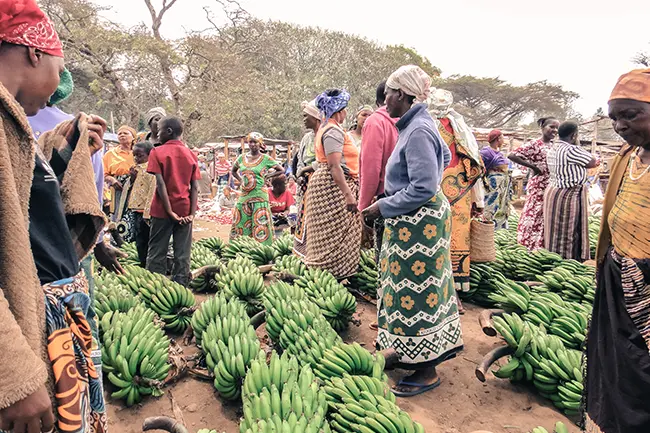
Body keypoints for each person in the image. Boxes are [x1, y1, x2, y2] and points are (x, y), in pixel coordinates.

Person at [0, 2, 109, 431]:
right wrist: (13, 375)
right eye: (58, 71)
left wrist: (62, 143)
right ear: (33, 52)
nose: (58, 89)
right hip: (22, 342)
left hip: (56, 327)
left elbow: (21, 197)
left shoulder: (13, 124)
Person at [362, 65, 461, 397]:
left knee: (417, 293)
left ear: (401, 95)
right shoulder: (417, 125)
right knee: (406, 291)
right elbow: (444, 157)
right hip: (412, 221)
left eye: (388, 93)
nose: (384, 99)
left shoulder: (417, 130)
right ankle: (408, 353)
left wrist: (383, 206)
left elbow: (422, 187)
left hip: (417, 224)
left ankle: (427, 369)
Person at [585, 68, 650, 433]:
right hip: (618, 278)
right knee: (617, 368)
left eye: (630, 114)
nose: (620, 125)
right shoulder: (627, 159)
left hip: (647, 286)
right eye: (614, 118)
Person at [430, 89, 485, 306]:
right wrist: (477, 200)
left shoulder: (439, 126)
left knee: (438, 236)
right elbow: (473, 161)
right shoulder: (460, 128)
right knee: (456, 238)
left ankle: (444, 290)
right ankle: (454, 293)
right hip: (459, 188)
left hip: (439, 187)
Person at [304, 89, 362, 278]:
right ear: (339, 111)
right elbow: (334, 166)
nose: (346, 114)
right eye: (345, 110)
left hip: (331, 185)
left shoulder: (330, 129)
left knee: (332, 234)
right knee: (331, 236)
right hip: (333, 187)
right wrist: (348, 194)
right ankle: (329, 277)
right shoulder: (332, 132)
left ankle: (332, 276)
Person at [146, 116, 200, 286]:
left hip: (162, 209)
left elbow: (161, 184)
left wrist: (169, 211)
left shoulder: (157, 152)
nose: (157, 134)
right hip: (184, 208)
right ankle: (181, 286)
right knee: (182, 251)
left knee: (157, 250)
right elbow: (195, 186)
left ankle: (156, 286)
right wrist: (191, 214)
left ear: (168, 131)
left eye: (159, 130)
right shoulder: (190, 154)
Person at [543, 121, 598, 261]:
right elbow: (593, 162)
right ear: (574, 135)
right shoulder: (571, 150)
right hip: (568, 194)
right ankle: (566, 260)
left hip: (553, 192)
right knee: (568, 229)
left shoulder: (553, 148)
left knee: (554, 229)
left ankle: (552, 257)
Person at [359, 80, 400, 259]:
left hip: (386, 198)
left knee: (384, 255)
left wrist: (364, 206)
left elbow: (371, 169)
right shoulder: (409, 120)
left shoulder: (375, 122)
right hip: (409, 197)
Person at [508, 117, 559, 251]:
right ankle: (528, 243)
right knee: (534, 214)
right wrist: (533, 167)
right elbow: (512, 155)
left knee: (545, 216)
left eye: (556, 128)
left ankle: (541, 245)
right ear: (543, 128)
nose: (554, 130)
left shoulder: (554, 145)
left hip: (551, 185)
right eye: (551, 127)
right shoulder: (534, 144)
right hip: (539, 186)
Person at [230, 132, 284, 245]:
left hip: (259, 195)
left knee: (260, 223)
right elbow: (233, 171)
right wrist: (241, 180)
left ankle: (262, 249)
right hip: (245, 195)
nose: (252, 144)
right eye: (250, 142)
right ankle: (241, 246)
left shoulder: (265, 159)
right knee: (241, 220)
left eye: (255, 142)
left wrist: (268, 176)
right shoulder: (241, 158)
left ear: (260, 144)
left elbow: (281, 170)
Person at [117, 141, 156, 267]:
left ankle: (149, 265)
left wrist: (147, 213)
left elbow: (153, 190)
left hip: (147, 213)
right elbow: (130, 188)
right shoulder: (135, 169)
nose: (136, 159)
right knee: (139, 241)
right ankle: (143, 263)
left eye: (140, 156)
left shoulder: (152, 170)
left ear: (150, 155)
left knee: (148, 241)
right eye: (134, 156)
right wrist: (132, 179)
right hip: (135, 211)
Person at [293, 99, 321, 257]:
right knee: (303, 219)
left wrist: (307, 170)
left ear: (315, 117)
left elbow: (325, 161)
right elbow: (299, 160)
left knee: (317, 220)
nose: (304, 120)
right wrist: (300, 175)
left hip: (320, 185)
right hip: (305, 185)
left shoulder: (325, 134)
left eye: (306, 116)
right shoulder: (306, 139)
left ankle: (315, 254)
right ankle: (302, 253)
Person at [104, 124, 137, 220]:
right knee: (118, 215)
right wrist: (112, 181)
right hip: (118, 187)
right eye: (119, 134)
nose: (122, 135)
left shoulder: (138, 152)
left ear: (133, 137)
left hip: (135, 188)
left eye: (125, 133)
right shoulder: (110, 154)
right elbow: (104, 173)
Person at [481, 130, 512, 229]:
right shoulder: (486, 152)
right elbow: (480, 166)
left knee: (501, 206)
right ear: (498, 139)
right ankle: (486, 228)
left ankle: (498, 228)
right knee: (490, 205)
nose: (503, 140)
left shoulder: (499, 152)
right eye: (502, 137)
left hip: (502, 186)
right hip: (493, 185)